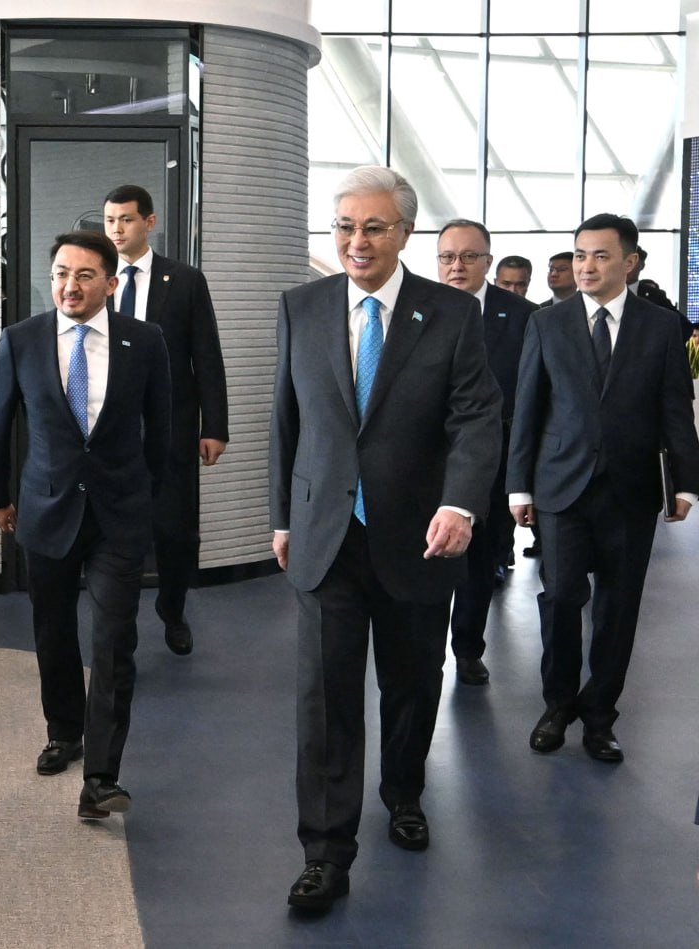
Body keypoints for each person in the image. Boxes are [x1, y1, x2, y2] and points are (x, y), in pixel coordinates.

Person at [269, 166, 501, 914]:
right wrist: (282, 516)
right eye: (345, 226)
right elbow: (286, 420)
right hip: (327, 536)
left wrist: (460, 504)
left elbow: (475, 417)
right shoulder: (302, 306)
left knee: (411, 681)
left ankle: (403, 791)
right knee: (325, 696)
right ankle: (324, 851)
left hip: (420, 535)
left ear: (404, 233)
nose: (356, 241)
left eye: (373, 227)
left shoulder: (451, 313)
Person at [0, 231, 170, 821]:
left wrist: (149, 500)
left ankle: (102, 776)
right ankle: (63, 731)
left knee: (114, 640)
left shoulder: (145, 341)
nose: (70, 286)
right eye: (61, 273)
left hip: (118, 514)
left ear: (111, 283)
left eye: (85, 275)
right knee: (53, 630)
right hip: (46, 507)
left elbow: (161, 429)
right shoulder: (22, 339)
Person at [507, 213, 699, 763]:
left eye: (600, 255)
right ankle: (557, 704)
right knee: (561, 597)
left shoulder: (660, 327)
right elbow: (528, 408)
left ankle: (599, 716)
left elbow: (675, 408)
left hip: (630, 490)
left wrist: (687, 483)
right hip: (560, 486)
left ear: (630, 262)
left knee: (618, 607)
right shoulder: (547, 323)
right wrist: (518, 487)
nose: (585, 266)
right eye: (579, 254)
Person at [103, 184, 228, 655]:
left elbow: (206, 356)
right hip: (111, 431)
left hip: (172, 429)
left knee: (176, 532)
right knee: (116, 532)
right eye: (110, 220)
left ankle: (172, 610)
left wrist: (214, 426)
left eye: (126, 219)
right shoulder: (96, 279)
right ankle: (119, 623)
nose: (117, 229)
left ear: (149, 222)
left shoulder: (185, 280)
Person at [437, 220, 537, 685]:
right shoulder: (415, 307)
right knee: (420, 558)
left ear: (488, 261)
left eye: (469, 256)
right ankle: (422, 651)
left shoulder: (523, 316)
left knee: (477, 561)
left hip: (492, 458)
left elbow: (532, 396)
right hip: (424, 459)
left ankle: (467, 649)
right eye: (447, 257)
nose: (457, 266)